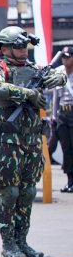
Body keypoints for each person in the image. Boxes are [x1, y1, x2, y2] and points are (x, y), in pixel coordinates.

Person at [0, 26, 66, 257]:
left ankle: (22, 239)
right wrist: (27, 94)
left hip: (31, 140)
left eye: (24, 46)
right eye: (18, 46)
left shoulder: (33, 69)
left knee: (28, 192)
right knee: (9, 192)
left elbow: (59, 75)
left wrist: (55, 77)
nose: (23, 50)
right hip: (8, 141)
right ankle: (8, 242)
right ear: (6, 48)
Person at [52, 47, 73, 192]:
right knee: (66, 149)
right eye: (64, 57)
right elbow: (55, 96)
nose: (66, 59)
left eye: (68, 57)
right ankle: (69, 180)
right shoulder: (59, 72)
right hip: (63, 115)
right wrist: (54, 116)